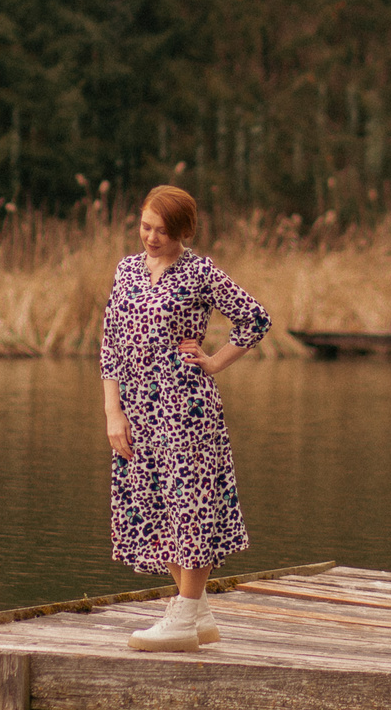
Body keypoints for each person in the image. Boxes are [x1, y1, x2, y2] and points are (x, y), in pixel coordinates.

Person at [99, 184, 271, 652]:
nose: (151, 237)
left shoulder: (200, 272)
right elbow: (111, 343)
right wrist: (114, 412)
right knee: (155, 503)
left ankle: (183, 615)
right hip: (138, 410)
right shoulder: (128, 270)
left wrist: (214, 361)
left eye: (162, 230)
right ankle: (197, 612)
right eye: (145, 226)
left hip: (184, 410)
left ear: (183, 231)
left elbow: (255, 319)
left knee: (190, 504)